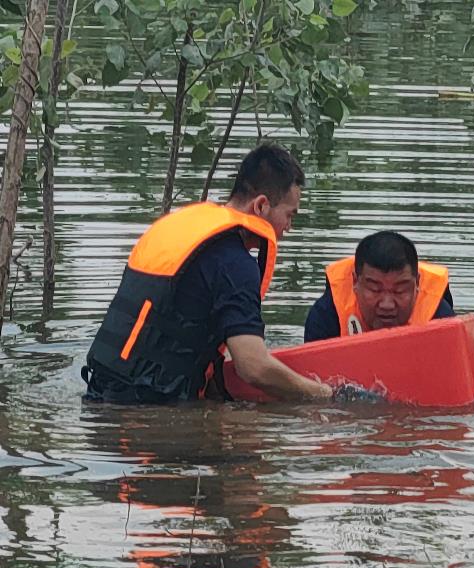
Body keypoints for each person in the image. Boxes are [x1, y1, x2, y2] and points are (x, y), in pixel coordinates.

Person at [82, 143, 332, 403]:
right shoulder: (236, 264)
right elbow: (253, 367)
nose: (289, 227)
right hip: (147, 410)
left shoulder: (177, 228)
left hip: (100, 389)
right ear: (261, 206)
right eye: (289, 215)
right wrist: (324, 394)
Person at [304, 231, 455, 342]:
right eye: (374, 289)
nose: (387, 304)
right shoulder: (328, 315)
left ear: (417, 283)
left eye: (399, 290)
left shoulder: (440, 318)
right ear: (355, 281)